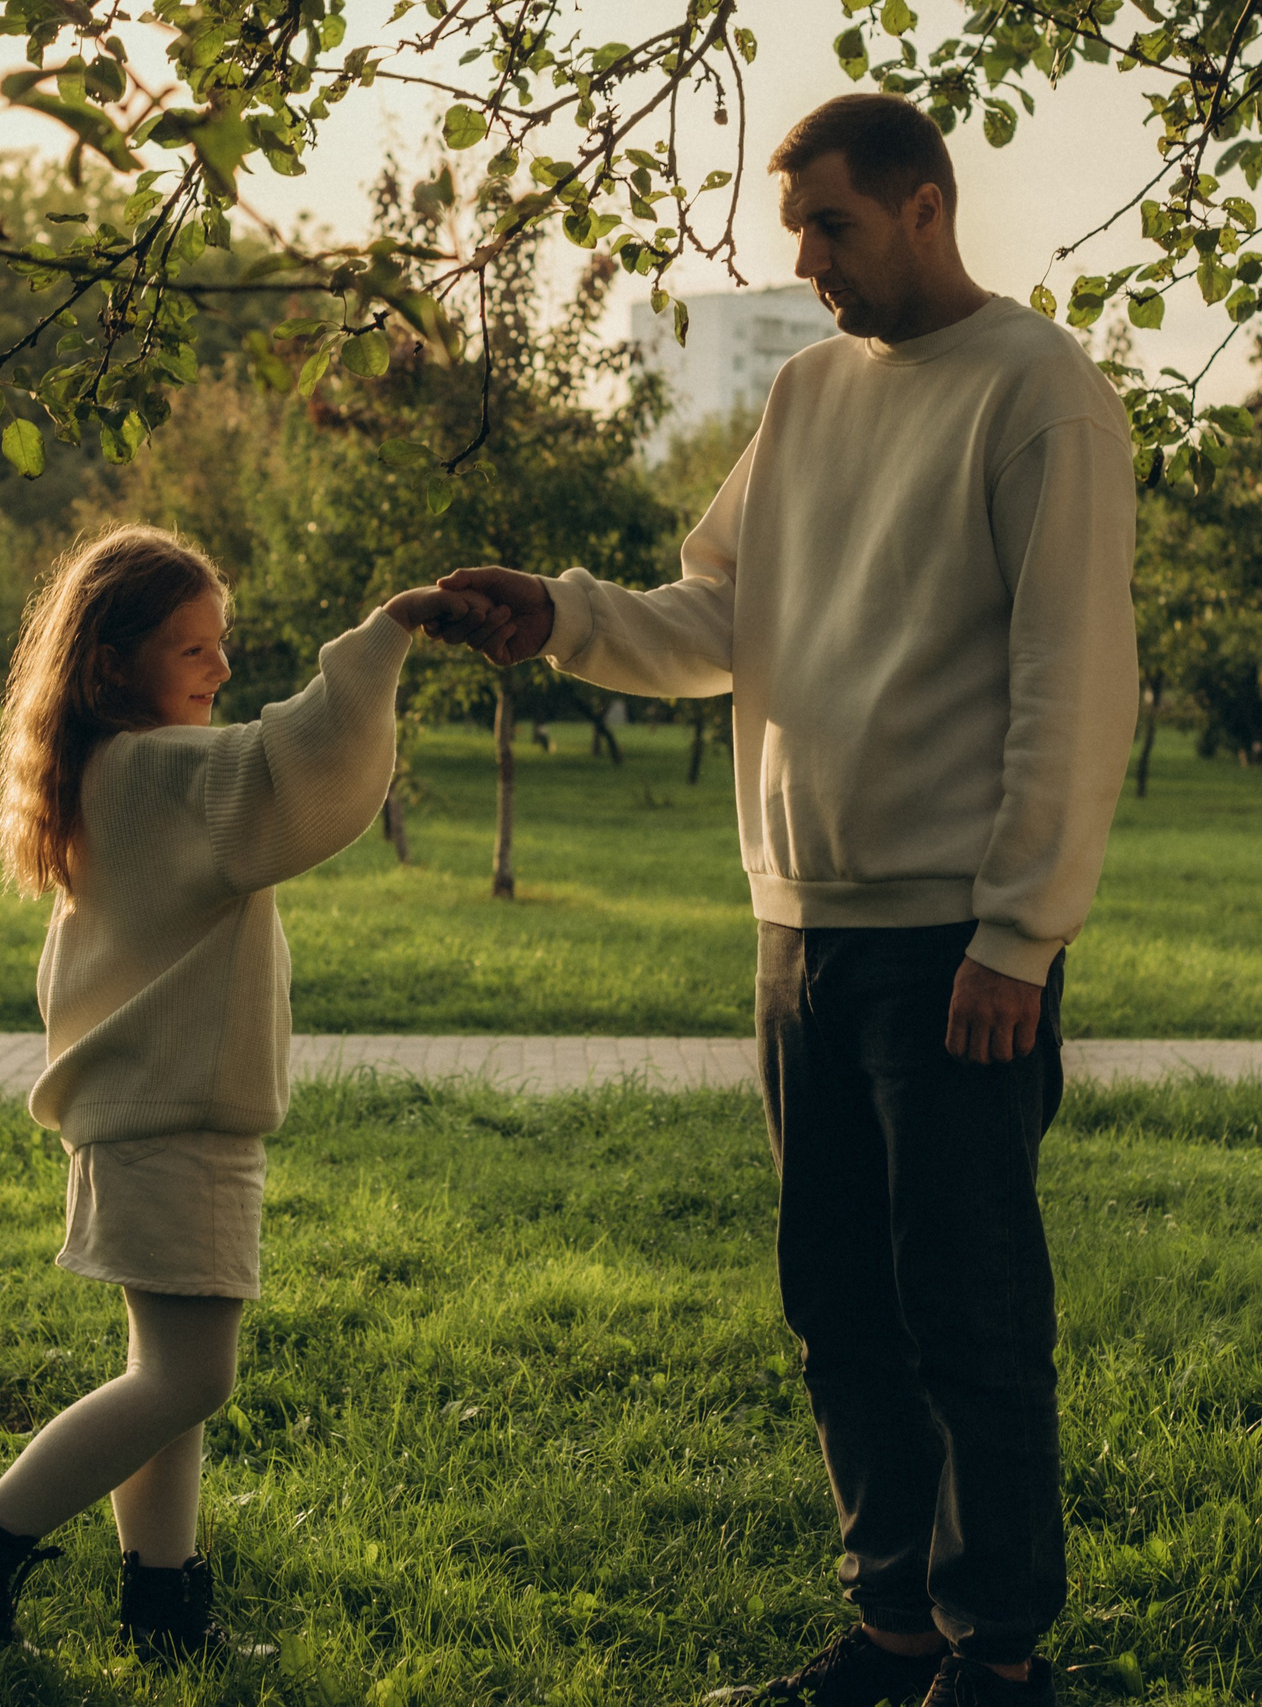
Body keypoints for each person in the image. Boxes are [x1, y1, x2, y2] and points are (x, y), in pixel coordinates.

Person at [434, 94, 1138, 1707]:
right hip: (798, 933)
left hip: (954, 941)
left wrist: (1021, 932)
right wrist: (556, 615)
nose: (803, 258)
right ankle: (889, 1633)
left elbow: (1075, 681)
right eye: (796, 227)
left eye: (829, 224)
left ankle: (1000, 1657)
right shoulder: (812, 397)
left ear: (924, 207)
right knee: (837, 1306)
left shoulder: (1041, 397)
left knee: (966, 1313)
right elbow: (718, 616)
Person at [0, 525, 499, 1665]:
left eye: (222, 644)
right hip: (176, 1122)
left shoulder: (108, 769)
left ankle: (162, 1614)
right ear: (112, 664)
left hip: (139, 1119)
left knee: (163, 1379)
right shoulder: (165, 773)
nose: (218, 668)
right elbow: (294, 766)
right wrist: (387, 634)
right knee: (188, 1377)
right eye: (189, 648)